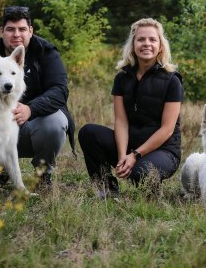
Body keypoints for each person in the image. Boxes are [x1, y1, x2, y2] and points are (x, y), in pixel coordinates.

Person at [0, 6, 75, 187]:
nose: (16, 34)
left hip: (33, 126)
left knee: (55, 124)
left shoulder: (46, 51)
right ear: (2, 31)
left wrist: (30, 109)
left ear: (31, 31)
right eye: (10, 29)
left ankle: (42, 174)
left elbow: (60, 91)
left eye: (22, 29)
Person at [78, 18, 183, 198]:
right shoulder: (122, 78)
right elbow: (121, 121)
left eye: (152, 40)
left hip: (164, 151)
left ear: (161, 46)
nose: (146, 44)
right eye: (141, 39)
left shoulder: (171, 80)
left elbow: (167, 130)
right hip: (130, 147)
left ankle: (152, 192)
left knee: (140, 172)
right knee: (88, 132)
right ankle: (107, 190)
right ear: (133, 44)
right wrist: (122, 157)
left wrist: (135, 155)